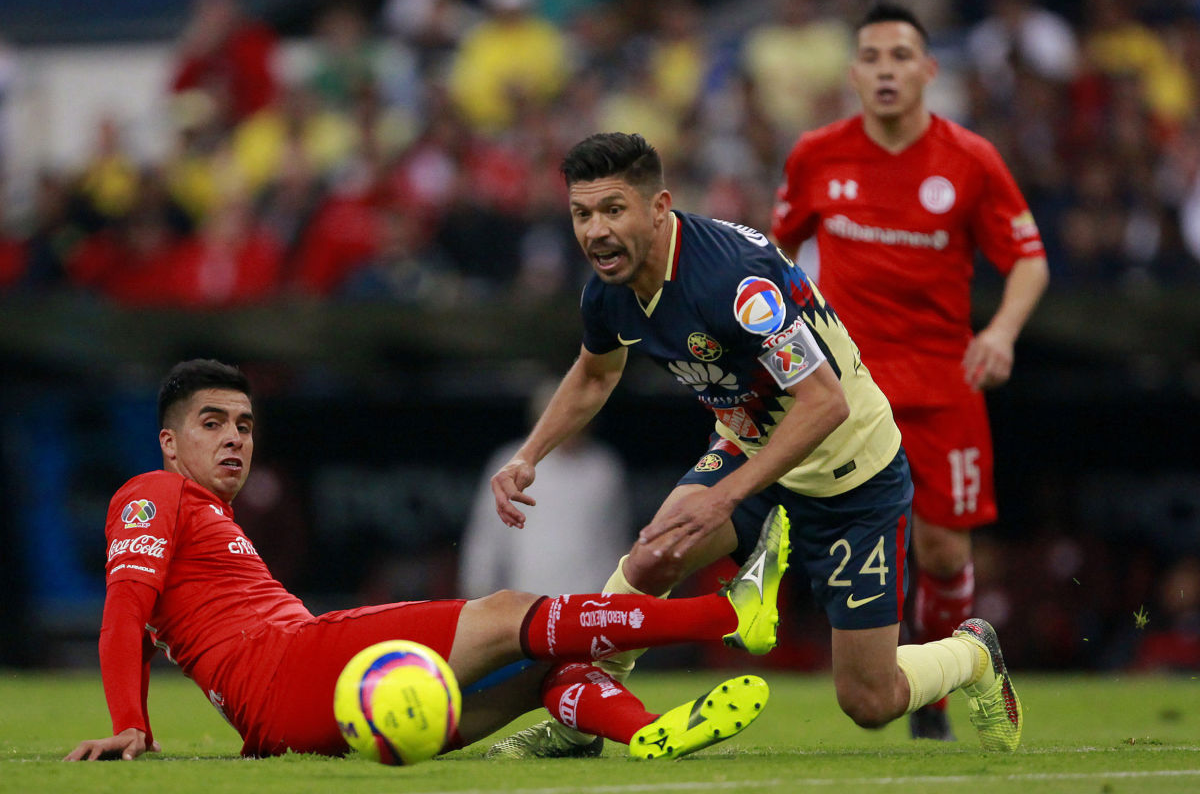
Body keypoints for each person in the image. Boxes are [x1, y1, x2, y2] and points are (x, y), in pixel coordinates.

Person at [486, 131, 1023, 759]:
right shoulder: (609, 290)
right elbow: (594, 373)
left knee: (869, 700)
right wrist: (528, 455)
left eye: (612, 210)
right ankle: (582, 722)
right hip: (750, 451)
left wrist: (725, 499)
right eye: (582, 214)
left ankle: (973, 653)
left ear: (658, 208)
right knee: (655, 553)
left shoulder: (734, 284)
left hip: (849, 476)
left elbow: (824, 402)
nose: (595, 231)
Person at [65, 358, 789, 762]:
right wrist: (134, 724)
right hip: (292, 668)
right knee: (507, 614)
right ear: (167, 442)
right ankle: (726, 614)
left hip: (301, 699)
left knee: (536, 673)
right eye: (213, 423)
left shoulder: (210, 517)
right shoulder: (152, 490)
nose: (235, 440)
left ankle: (645, 733)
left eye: (246, 425)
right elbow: (123, 611)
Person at [770, 3, 1050, 741]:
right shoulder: (816, 156)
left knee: (944, 549)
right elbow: (771, 256)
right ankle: (894, 681)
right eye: (872, 56)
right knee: (854, 538)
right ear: (854, 73)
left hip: (942, 383)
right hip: (850, 390)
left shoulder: (969, 159)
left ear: (929, 71)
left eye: (901, 56)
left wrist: (1001, 331)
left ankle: (934, 688)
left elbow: (1027, 257)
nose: (886, 69)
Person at [459, 377, 632, 598]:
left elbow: (615, 537)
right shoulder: (509, 463)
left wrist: (619, 597)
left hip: (589, 599)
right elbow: (486, 537)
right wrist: (477, 591)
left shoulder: (604, 467)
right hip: (525, 598)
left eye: (577, 415)